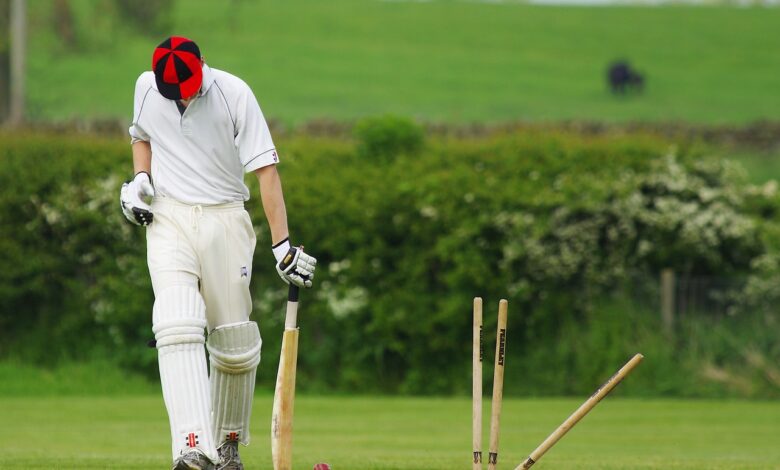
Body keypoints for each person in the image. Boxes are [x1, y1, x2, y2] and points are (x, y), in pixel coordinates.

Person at [120, 36, 316, 470]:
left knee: (234, 342)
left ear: (202, 65)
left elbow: (265, 171)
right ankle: (191, 448)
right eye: (175, 90)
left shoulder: (234, 93)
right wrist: (139, 181)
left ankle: (227, 445)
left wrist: (281, 244)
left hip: (225, 216)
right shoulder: (147, 87)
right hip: (168, 216)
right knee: (176, 322)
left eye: (188, 85)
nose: (184, 95)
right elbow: (141, 137)